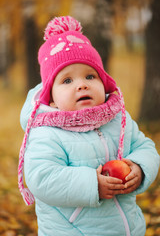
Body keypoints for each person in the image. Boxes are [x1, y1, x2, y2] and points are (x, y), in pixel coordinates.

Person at [18, 16, 159, 236]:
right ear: (51, 98)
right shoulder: (47, 132)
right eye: (67, 80)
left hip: (129, 229)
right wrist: (91, 184)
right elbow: (42, 177)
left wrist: (140, 168)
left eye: (90, 76)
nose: (82, 84)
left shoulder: (117, 119)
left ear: (104, 83)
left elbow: (145, 146)